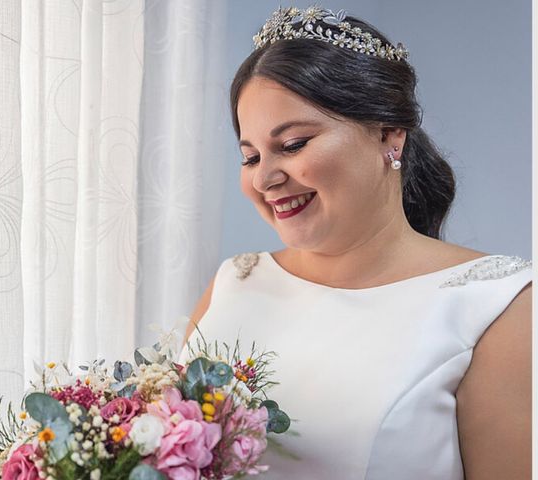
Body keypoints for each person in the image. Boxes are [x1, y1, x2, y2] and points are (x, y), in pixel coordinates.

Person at [181, 6, 531, 480]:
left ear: (389, 133)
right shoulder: (233, 283)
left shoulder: (497, 306)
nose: (265, 177)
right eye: (250, 156)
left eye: (294, 144)